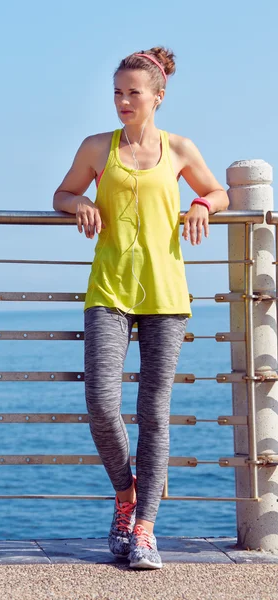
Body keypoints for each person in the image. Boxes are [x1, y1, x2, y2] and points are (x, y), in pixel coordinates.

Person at [52, 47, 229, 570]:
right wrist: (80, 202)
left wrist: (200, 204)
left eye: (134, 92)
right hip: (108, 291)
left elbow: (217, 191)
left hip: (166, 296)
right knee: (102, 406)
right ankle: (125, 497)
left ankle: (145, 530)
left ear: (158, 96)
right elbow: (62, 192)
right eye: (117, 92)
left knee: (154, 412)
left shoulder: (178, 148)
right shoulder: (95, 147)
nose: (124, 101)